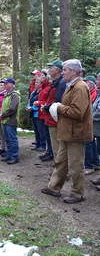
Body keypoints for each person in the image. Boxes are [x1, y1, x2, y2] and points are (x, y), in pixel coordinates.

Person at [41, 59, 93, 204]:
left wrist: (58, 107)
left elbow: (77, 112)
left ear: (74, 71)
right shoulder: (72, 86)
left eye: (65, 70)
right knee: (61, 161)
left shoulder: (80, 87)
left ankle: (77, 193)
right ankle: (54, 187)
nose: (62, 72)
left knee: (75, 165)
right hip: (66, 132)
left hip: (76, 133)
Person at [41, 60, 66, 162]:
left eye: (51, 67)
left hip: (55, 119)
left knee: (58, 147)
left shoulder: (61, 83)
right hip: (51, 118)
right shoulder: (56, 83)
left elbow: (58, 101)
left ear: (57, 69)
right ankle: (58, 169)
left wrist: (46, 107)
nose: (49, 69)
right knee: (56, 146)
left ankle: (60, 172)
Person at [0, 78, 20, 164]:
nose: (5, 85)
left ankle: (14, 156)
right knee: (7, 139)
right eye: (5, 83)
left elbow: (12, 109)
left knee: (12, 139)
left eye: (7, 83)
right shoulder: (7, 94)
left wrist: (3, 115)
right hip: (5, 120)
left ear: (12, 84)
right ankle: (9, 155)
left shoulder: (14, 95)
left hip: (11, 120)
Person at [83, 76, 100, 174]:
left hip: (95, 125)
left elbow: (98, 111)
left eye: (98, 80)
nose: (97, 81)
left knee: (90, 144)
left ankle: (89, 166)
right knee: (91, 143)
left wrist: (89, 118)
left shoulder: (95, 93)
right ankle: (95, 163)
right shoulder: (97, 93)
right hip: (93, 125)